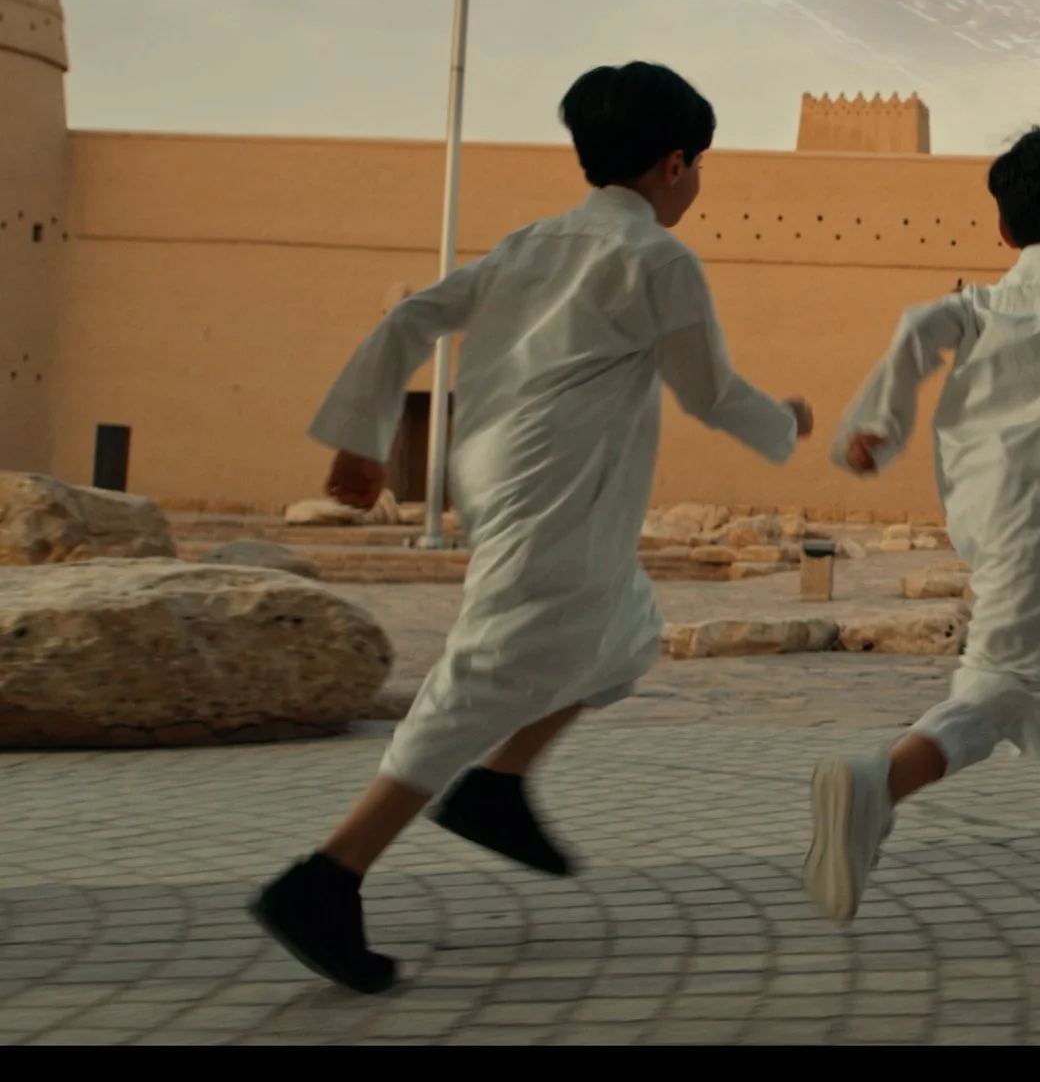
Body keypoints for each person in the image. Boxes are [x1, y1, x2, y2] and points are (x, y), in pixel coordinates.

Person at [248, 62, 812, 993]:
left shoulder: (531, 242)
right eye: (699, 166)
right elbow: (708, 391)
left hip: (503, 478)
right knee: (485, 673)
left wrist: (363, 435)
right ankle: (328, 876)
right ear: (675, 164)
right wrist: (785, 421)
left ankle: (500, 788)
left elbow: (411, 318)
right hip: (557, 495)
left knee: (623, 632)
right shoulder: (658, 259)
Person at [807, 117, 1040, 922]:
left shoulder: (977, 304)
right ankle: (878, 784)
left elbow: (916, 329)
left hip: (989, 516)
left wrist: (878, 422)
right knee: (1006, 680)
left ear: (1004, 229)